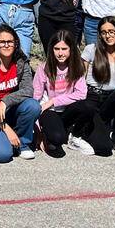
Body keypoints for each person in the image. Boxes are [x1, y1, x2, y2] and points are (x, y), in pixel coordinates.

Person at [0, 25, 41, 163]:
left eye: (10, 42)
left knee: (33, 106)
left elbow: (28, 90)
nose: (6, 45)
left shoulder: (21, 61)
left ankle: (22, 143)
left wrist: (6, 101)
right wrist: (6, 128)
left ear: (16, 43)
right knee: (3, 155)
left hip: (9, 110)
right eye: (2, 42)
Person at [33, 30, 95, 158]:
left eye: (64, 49)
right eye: (57, 49)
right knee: (57, 141)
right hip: (49, 111)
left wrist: (54, 100)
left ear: (71, 49)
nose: (60, 53)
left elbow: (81, 94)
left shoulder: (76, 67)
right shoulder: (43, 68)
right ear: (51, 49)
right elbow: (36, 97)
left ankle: (75, 134)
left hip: (67, 111)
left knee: (88, 106)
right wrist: (37, 127)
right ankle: (51, 133)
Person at [80, 16, 115, 156]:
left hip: (108, 100)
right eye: (104, 32)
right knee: (104, 149)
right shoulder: (91, 50)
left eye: (112, 31)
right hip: (91, 99)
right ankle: (81, 132)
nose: (108, 35)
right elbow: (79, 79)